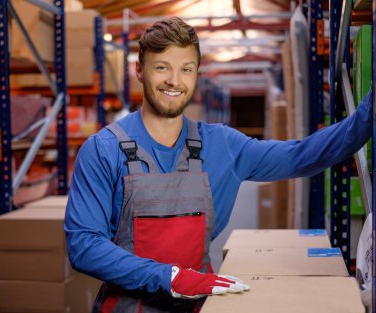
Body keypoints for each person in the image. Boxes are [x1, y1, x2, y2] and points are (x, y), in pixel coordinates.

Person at [64, 16, 372, 313]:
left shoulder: (221, 146)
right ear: (140, 70)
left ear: (197, 74)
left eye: (186, 69)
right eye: (162, 68)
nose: (174, 80)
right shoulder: (103, 150)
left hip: (202, 305)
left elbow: (301, 155)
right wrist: (171, 277)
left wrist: (367, 115)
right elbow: (84, 246)